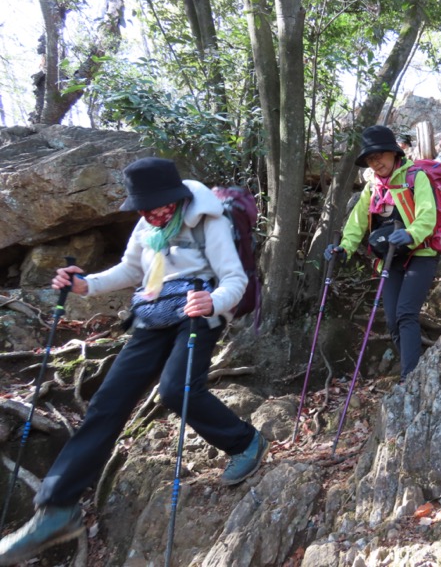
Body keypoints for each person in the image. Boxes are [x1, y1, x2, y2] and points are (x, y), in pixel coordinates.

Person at [0, 158, 268, 565]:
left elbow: (235, 279)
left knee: (175, 390)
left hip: (198, 312)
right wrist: (84, 284)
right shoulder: (148, 226)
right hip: (153, 314)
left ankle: (245, 442)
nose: (150, 214)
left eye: (156, 206)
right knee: (108, 403)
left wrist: (213, 300)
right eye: (143, 208)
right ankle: (56, 508)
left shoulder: (207, 220)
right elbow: (131, 270)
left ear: (175, 198)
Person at [325, 126, 438, 384]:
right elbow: (356, 224)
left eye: (379, 156)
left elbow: (427, 214)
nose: (375, 162)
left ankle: (411, 379)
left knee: (406, 314)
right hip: (388, 258)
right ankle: (414, 368)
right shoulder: (373, 187)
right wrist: (344, 248)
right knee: (392, 321)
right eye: (370, 159)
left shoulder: (415, 177)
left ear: (393, 153)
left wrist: (411, 234)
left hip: (421, 253)